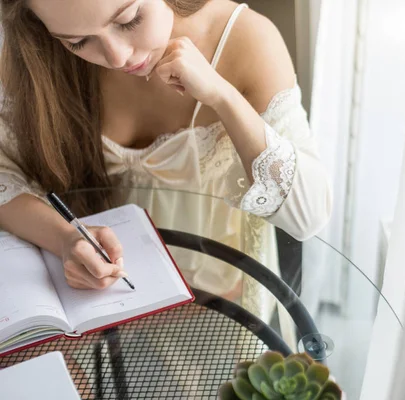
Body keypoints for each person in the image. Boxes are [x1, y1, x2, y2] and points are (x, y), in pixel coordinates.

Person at [0, 0, 331, 328]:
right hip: (104, 298)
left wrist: (222, 96)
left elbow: (308, 215)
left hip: (221, 304)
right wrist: (64, 238)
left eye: (130, 19)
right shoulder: (35, 50)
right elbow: (4, 176)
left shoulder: (246, 40)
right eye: (78, 42)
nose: (117, 57)